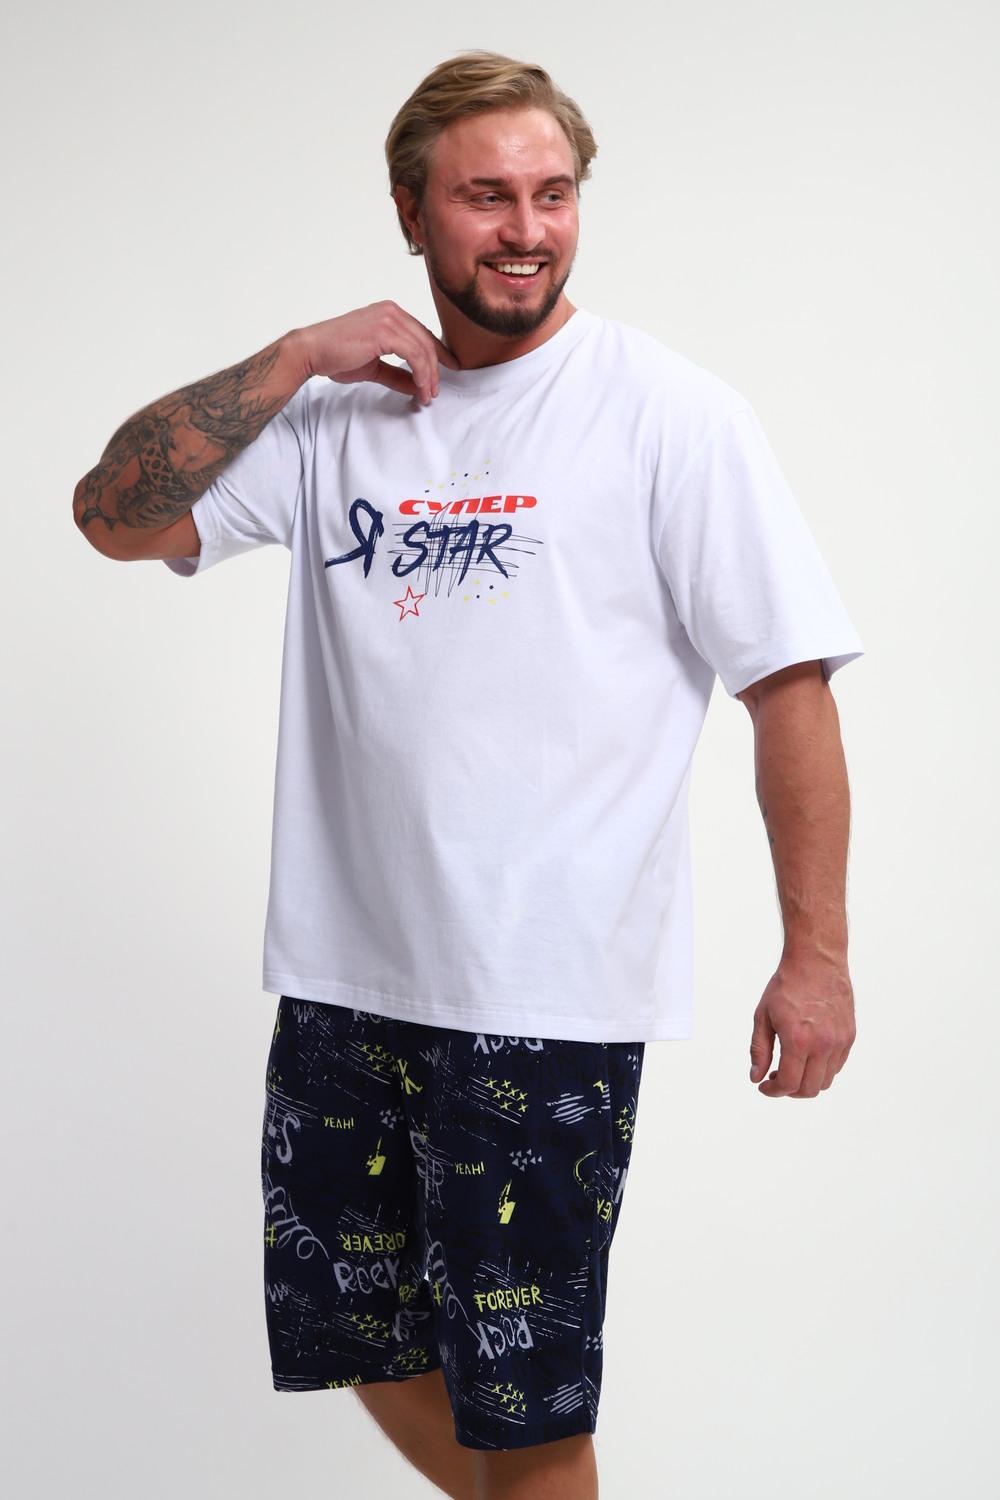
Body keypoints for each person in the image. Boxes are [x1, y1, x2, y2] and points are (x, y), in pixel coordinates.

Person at [73, 47, 865, 1500]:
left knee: (528, 1410)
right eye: (486, 195)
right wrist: (296, 356)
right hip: (346, 982)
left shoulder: (667, 414)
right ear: (410, 211)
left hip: (540, 998)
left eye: (553, 194)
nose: (525, 228)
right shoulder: (334, 419)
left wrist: (815, 955)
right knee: (363, 1341)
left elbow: (789, 691)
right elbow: (113, 515)